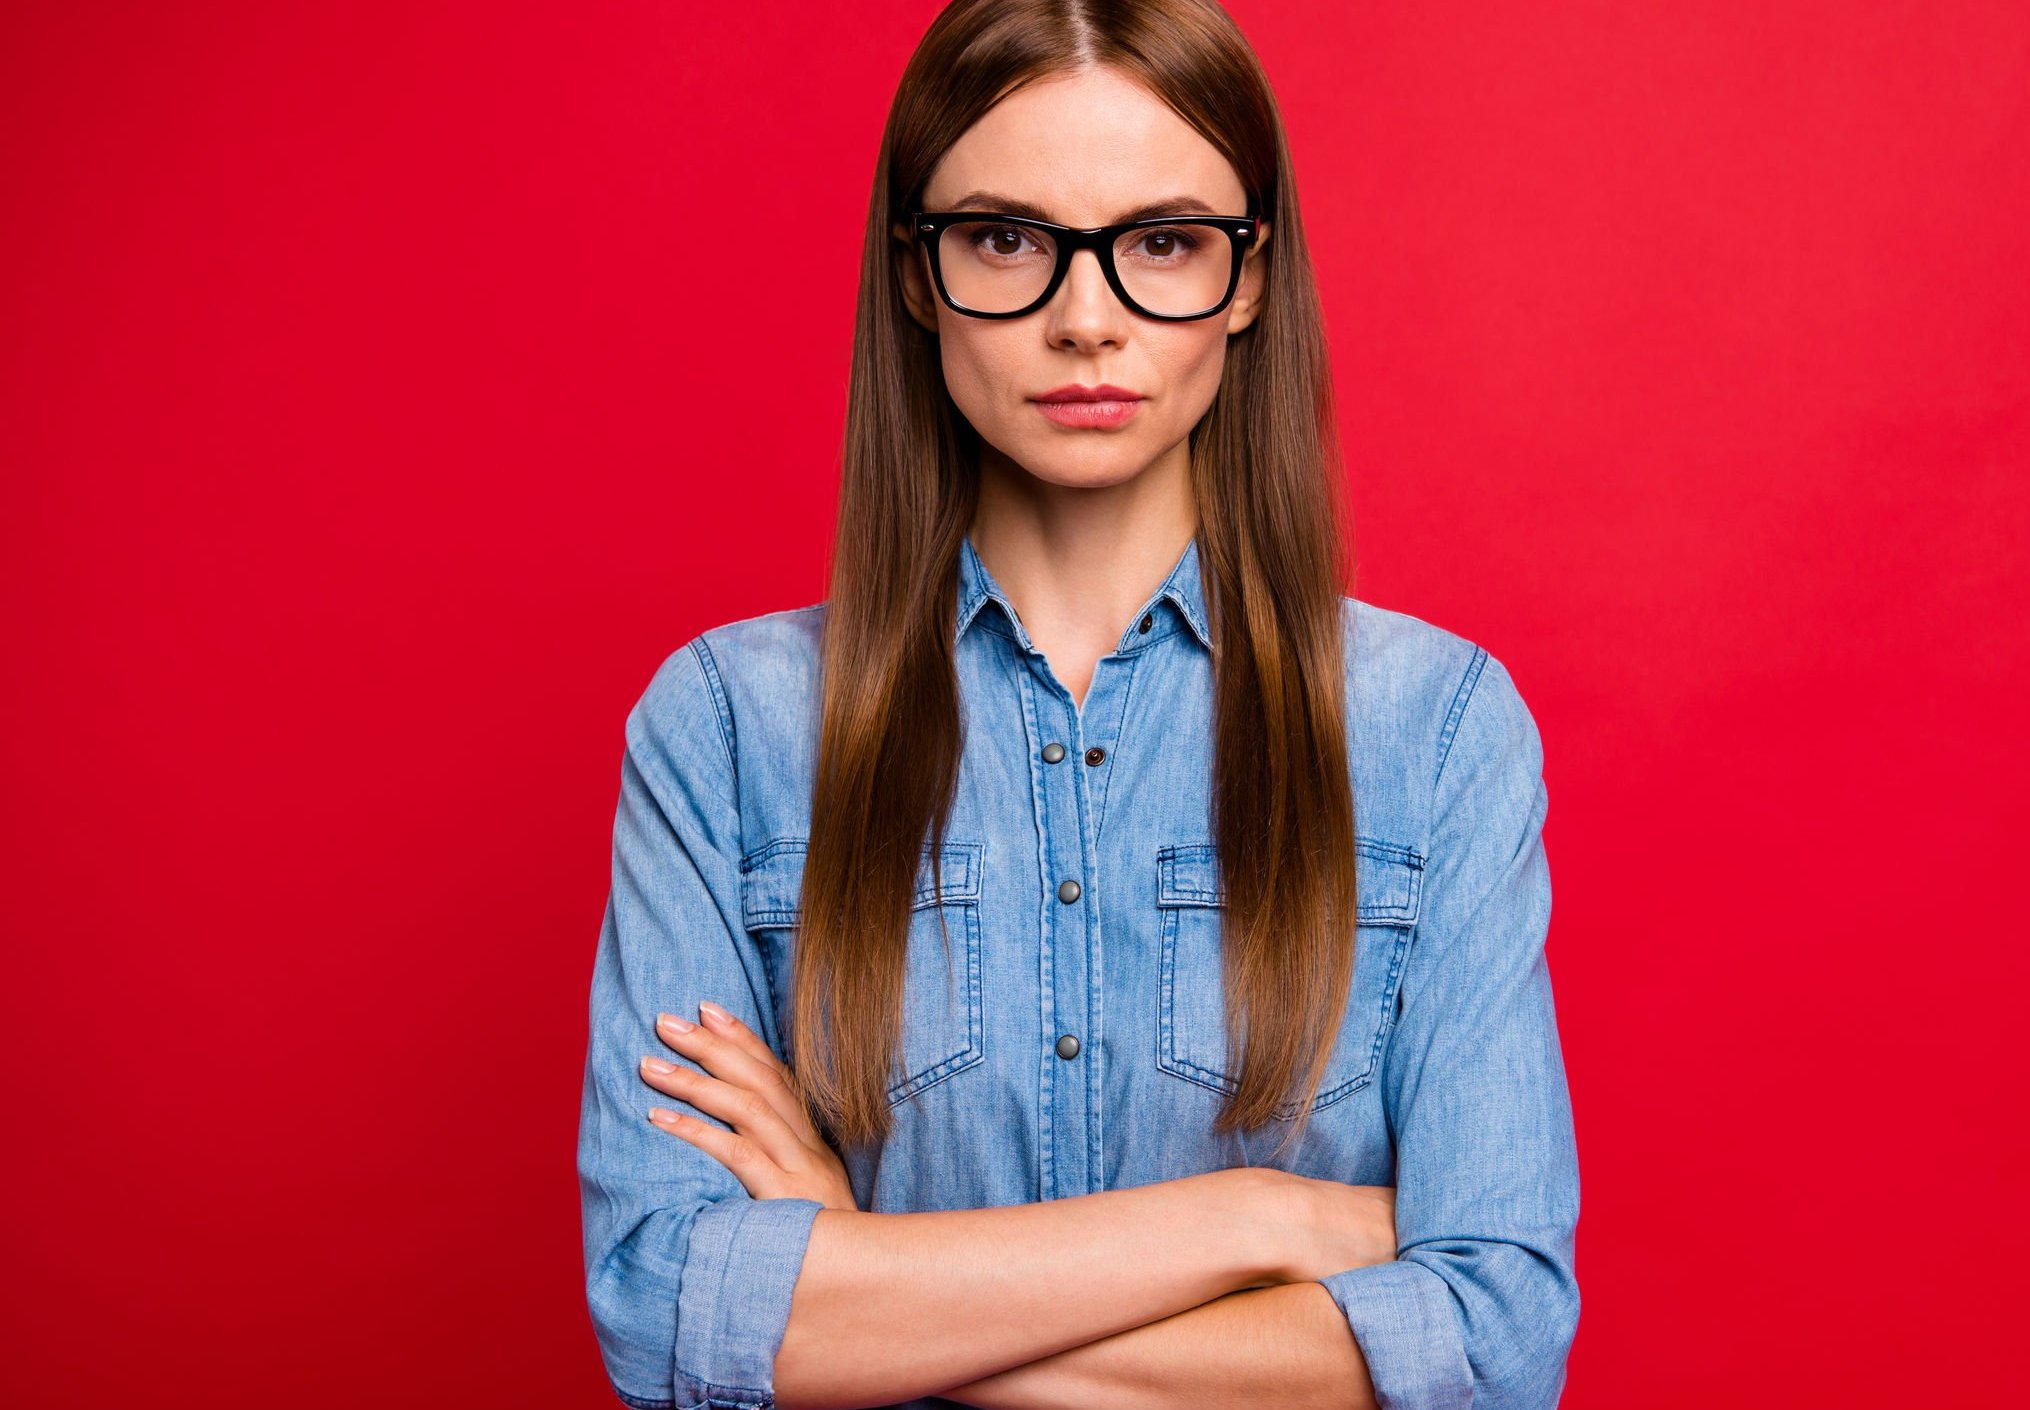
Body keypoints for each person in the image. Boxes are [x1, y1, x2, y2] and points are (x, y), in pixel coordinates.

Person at [576, 2, 1579, 1407]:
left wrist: (864, 1272)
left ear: (1249, 279)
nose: (1085, 317)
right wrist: (1261, 1221)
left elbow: (1489, 1344)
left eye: (1163, 241)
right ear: (916, 275)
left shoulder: (1441, 731)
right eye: (1007, 239)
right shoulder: (727, 728)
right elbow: (670, 1316)